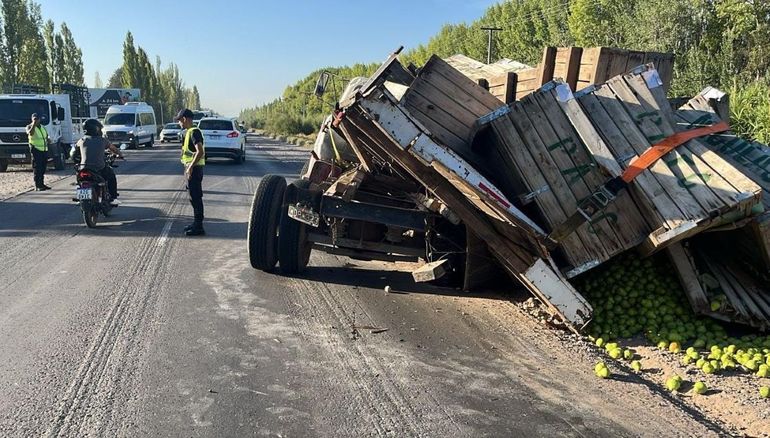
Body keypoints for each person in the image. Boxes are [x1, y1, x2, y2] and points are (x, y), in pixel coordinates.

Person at [75, 119, 123, 204]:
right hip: (99, 168)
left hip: (83, 168)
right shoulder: (102, 140)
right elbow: (113, 149)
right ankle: (113, 198)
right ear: (96, 129)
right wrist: (120, 154)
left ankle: (81, 197)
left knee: (79, 179)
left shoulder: (81, 140)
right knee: (111, 176)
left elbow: (73, 153)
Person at [176, 108, 206, 236]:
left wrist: (190, 167)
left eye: (179, 120)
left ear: (184, 119)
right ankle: (196, 223)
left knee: (196, 198)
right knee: (193, 198)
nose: (179, 123)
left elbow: (200, 151)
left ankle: (199, 226)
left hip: (194, 169)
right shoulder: (188, 132)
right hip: (191, 168)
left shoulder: (194, 132)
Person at [26, 113, 51, 191]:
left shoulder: (43, 127)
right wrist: (33, 124)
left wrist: (48, 139)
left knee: (43, 168)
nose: (36, 120)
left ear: (40, 119)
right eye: (34, 119)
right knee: (37, 168)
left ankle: (42, 184)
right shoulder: (29, 126)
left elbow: (46, 136)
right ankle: (37, 185)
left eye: (37, 119)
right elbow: (31, 133)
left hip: (44, 149)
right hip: (36, 149)